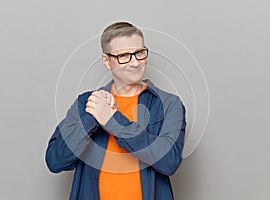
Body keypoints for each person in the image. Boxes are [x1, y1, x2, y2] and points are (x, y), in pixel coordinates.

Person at [45, 21, 186, 200]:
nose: (135, 62)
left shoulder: (169, 104)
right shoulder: (86, 103)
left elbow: (169, 162)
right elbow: (55, 161)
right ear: (107, 61)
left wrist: (112, 120)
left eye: (139, 53)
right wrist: (92, 120)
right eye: (124, 55)